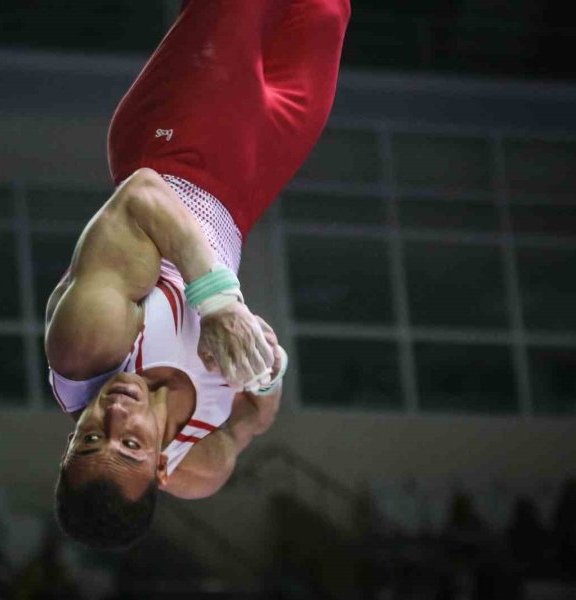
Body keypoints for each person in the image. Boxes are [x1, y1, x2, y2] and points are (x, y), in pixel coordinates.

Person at [45, 0, 350, 550]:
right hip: (247, 188)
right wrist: (264, 368)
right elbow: (254, 419)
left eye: (89, 437)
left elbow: (140, 193)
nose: (115, 414)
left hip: (177, 142)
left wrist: (218, 304)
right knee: (326, 12)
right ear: (163, 468)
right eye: (131, 446)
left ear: (67, 449)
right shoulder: (199, 468)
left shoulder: (84, 350)